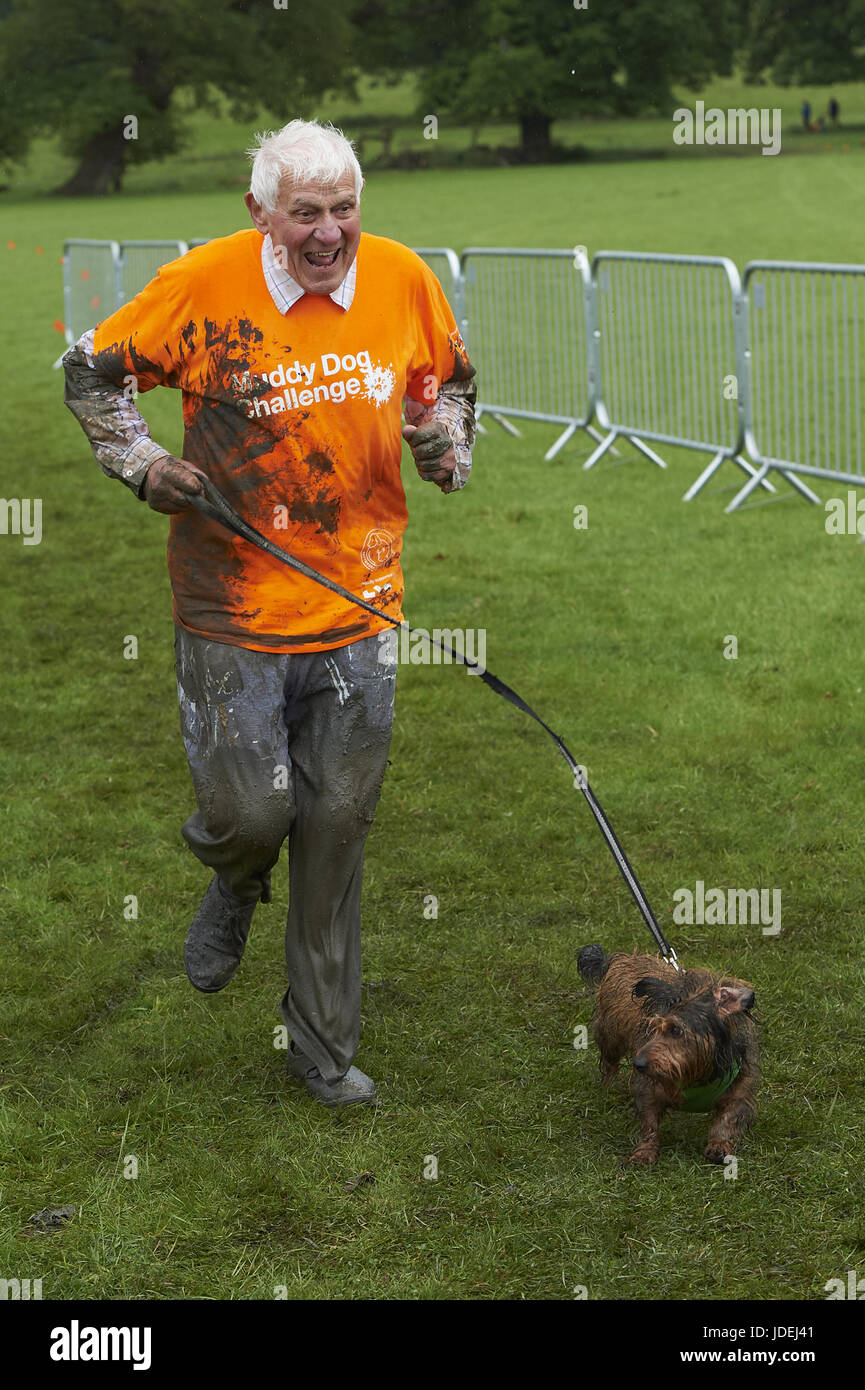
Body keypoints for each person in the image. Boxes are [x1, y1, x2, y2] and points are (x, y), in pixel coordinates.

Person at [63, 119, 477, 1108]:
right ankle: (234, 872)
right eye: (306, 213)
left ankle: (322, 1050)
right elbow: (89, 372)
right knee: (255, 812)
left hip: (360, 603)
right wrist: (141, 461)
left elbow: (448, 382)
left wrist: (445, 443)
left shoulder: (403, 278)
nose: (330, 232)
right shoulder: (200, 286)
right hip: (231, 606)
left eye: (344, 208)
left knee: (336, 827)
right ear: (260, 213)